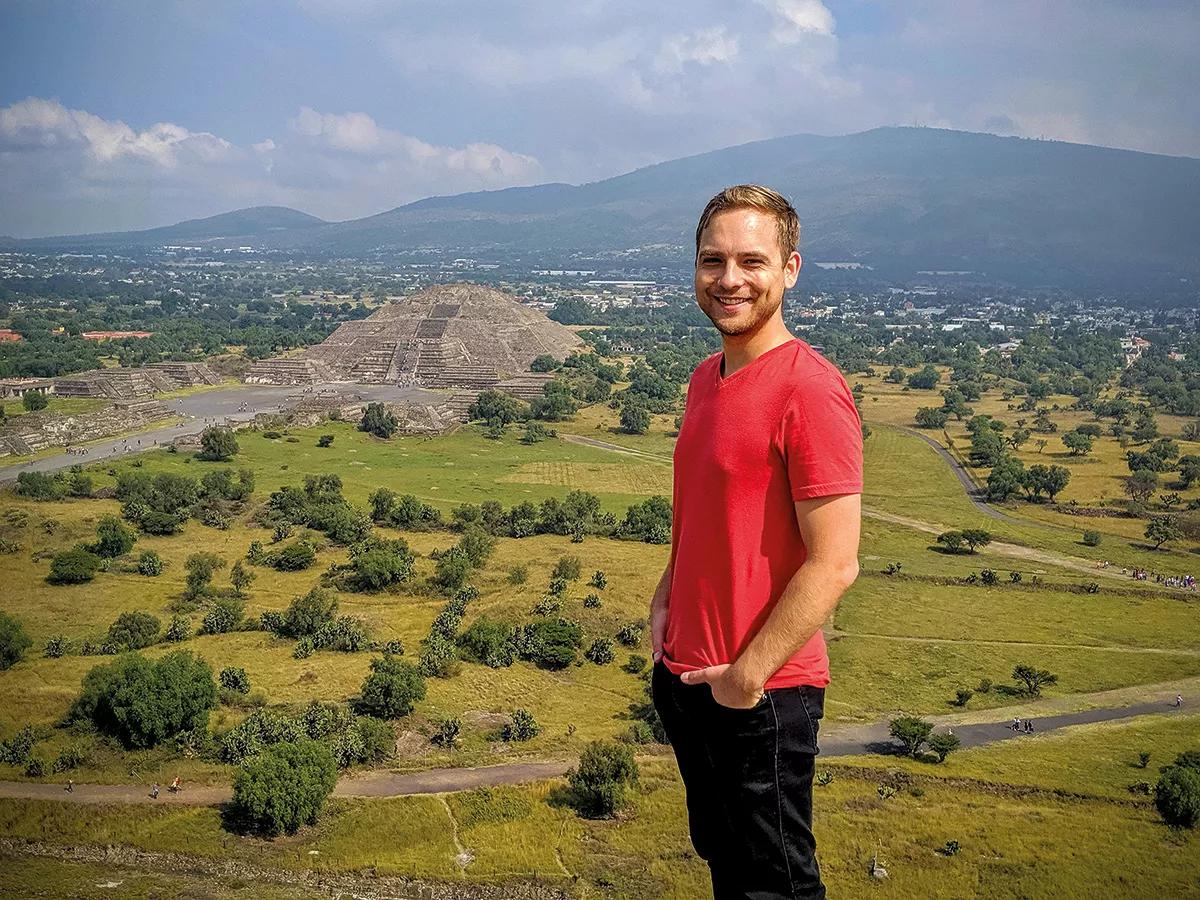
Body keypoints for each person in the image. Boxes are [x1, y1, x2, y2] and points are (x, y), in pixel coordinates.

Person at [650, 185, 862, 900]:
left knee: (776, 884)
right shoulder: (704, 381)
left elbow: (836, 562)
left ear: (790, 269)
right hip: (688, 676)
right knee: (724, 862)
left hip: (763, 691)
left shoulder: (810, 389)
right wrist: (663, 604)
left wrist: (746, 679)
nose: (730, 279)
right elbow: (705, 514)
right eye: (714, 260)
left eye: (752, 260)